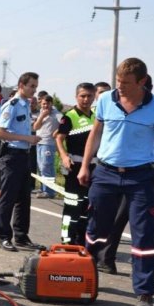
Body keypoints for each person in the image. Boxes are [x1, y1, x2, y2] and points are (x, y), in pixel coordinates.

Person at [78, 58, 154, 306]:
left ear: (142, 82)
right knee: (96, 228)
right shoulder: (106, 101)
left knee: (143, 235)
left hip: (141, 177)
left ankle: (144, 292)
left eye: (126, 83)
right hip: (105, 173)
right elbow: (95, 134)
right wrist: (85, 165)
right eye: (118, 81)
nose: (120, 87)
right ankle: (85, 275)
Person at [0, 72, 42, 252]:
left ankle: (21, 236)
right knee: (8, 198)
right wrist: (26, 138)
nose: (34, 89)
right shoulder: (12, 105)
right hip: (11, 155)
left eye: (35, 86)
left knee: (24, 198)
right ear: (21, 85)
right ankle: (4, 237)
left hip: (23, 155)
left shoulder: (26, 105)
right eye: (31, 86)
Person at [55, 83, 96, 246]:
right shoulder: (69, 116)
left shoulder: (96, 116)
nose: (86, 99)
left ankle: (81, 240)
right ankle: (66, 240)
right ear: (76, 96)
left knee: (86, 206)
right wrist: (64, 156)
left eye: (89, 96)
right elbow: (58, 138)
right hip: (74, 167)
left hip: (93, 168)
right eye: (83, 96)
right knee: (72, 205)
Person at [33, 94, 61, 198]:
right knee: (41, 168)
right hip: (39, 142)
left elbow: (65, 123)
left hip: (48, 144)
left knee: (46, 167)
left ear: (51, 103)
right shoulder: (41, 113)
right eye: (43, 104)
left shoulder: (56, 113)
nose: (45, 106)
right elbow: (35, 127)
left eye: (47, 103)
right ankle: (43, 188)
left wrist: (57, 131)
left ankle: (49, 192)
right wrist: (42, 116)